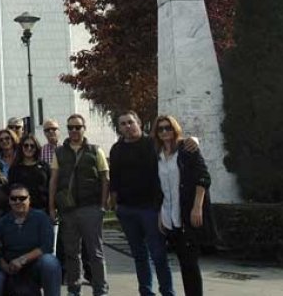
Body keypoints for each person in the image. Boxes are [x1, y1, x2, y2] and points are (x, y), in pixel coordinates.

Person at [109, 111, 174, 296]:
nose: (127, 126)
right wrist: (115, 204)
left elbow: (175, 146)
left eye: (130, 122)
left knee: (158, 255)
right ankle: (146, 292)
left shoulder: (152, 144)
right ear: (119, 128)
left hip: (151, 209)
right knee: (139, 256)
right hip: (127, 210)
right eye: (123, 124)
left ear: (138, 123)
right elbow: (114, 178)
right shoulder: (116, 149)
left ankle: (167, 292)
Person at [49, 113, 109, 296]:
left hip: (90, 208)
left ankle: (101, 290)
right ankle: (74, 290)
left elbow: (105, 177)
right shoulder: (59, 152)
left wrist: (102, 206)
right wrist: (52, 207)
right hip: (68, 211)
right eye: (71, 127)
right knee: (71, 253)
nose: (74, 130)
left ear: (84, 128)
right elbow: (54, 180)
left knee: (95, 253)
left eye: (78, 127)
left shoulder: (95, 150)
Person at [155, 115, 214, 296]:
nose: (165, 132)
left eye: (168, 128)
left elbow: (204, 177)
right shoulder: (156, 155)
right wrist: (159, 215)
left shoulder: (187, 150)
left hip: (186, 214)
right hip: (168, 216)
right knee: (178, 261)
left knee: (189, 264)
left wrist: (197, 207)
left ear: (175, 129)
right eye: (161, 129)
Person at [0, 184, 62, 296]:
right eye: (13, 198)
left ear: (29, 200)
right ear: (9, 201)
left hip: (35, 265)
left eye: (22, 198)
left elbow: (47, 246)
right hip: (9, 267)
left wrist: (23, 259)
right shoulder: (1, 223)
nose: (18, 201)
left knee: (50, 262)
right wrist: (1, 264)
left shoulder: (41, 218)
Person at [8, 133, 51, 215]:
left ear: (36, 148)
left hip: (42, 210)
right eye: (26, 145)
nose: (29, 148)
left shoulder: (44, 166)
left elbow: (50, 188)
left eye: (32, 146)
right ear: (21, 147)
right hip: (21, 211)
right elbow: (11, 190)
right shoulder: (15, 168)